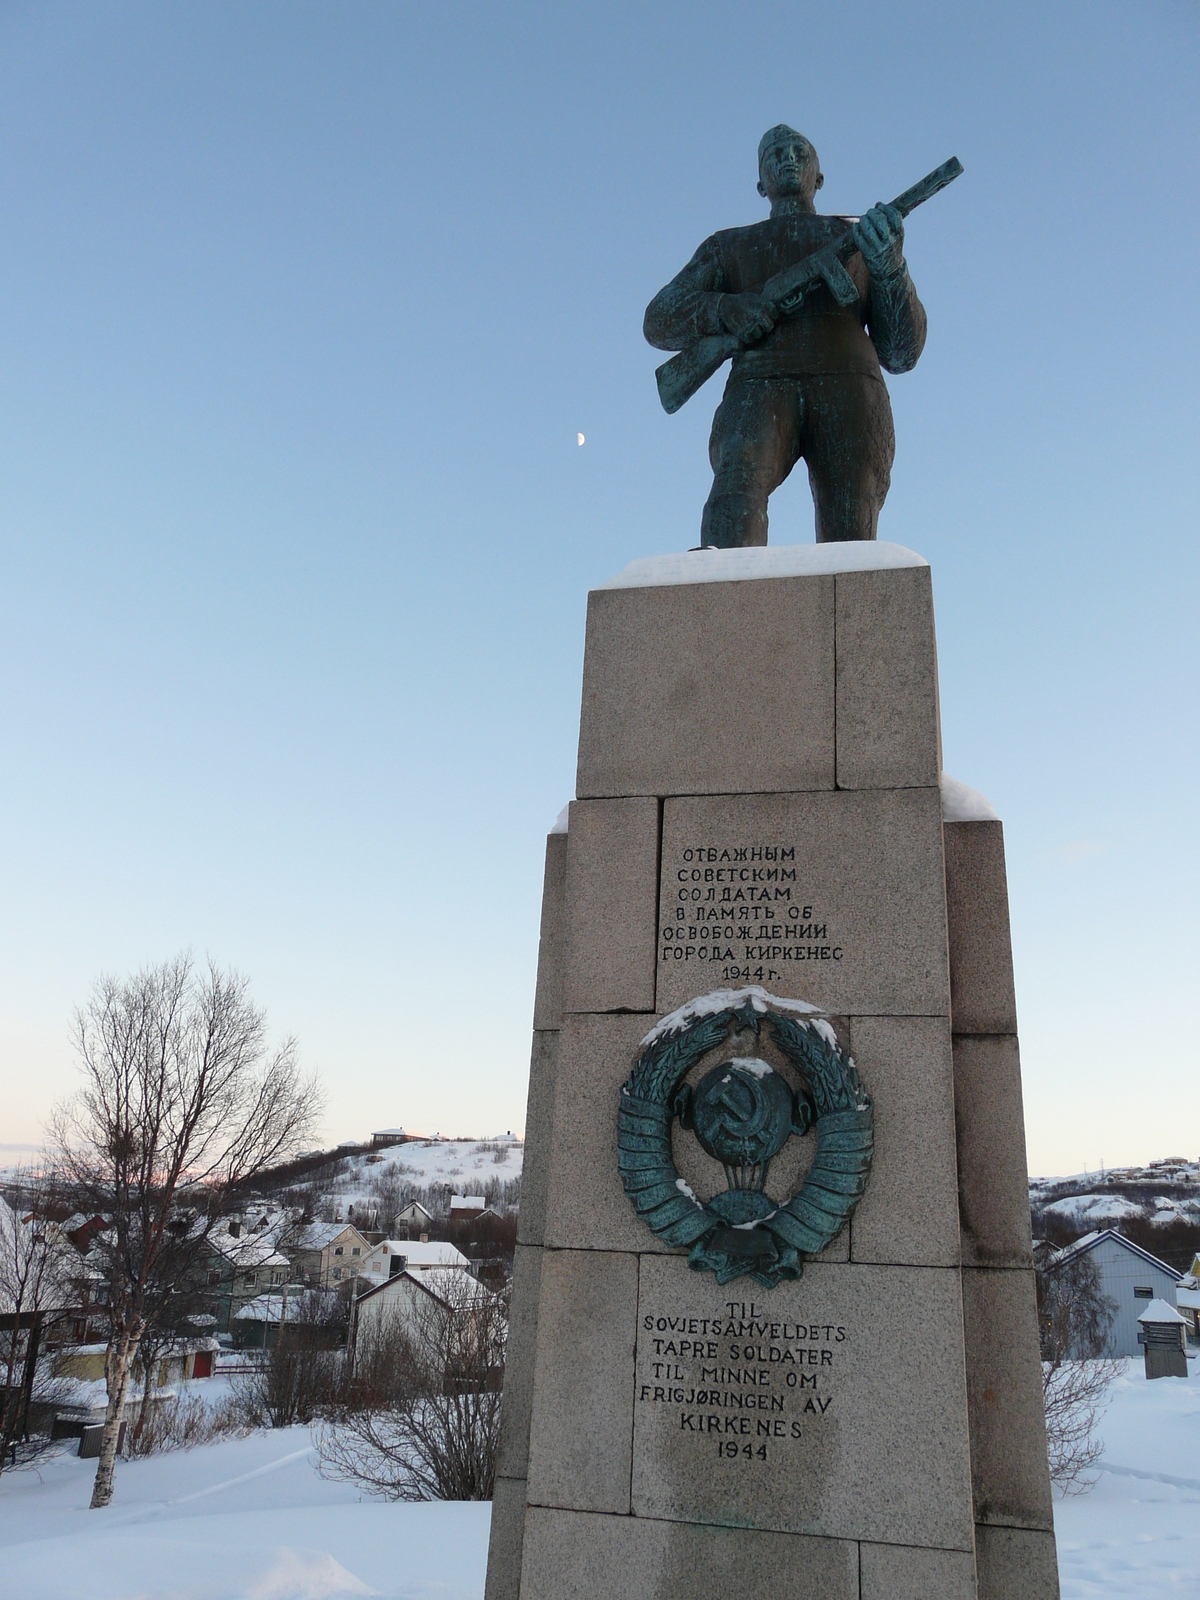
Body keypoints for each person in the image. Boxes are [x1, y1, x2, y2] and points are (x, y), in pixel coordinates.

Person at [644, 125, 927, 546]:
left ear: (820, 177)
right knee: (732, 503)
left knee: (851, 538)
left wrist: (890, 268)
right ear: (761, 184)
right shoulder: (728, 245)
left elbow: (901, 352)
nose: (788, 158)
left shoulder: (862, 239)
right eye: (775, 154)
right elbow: (659, 319)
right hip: (759, 383)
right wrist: (726, 308)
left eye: (799, 151)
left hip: (850, 386)